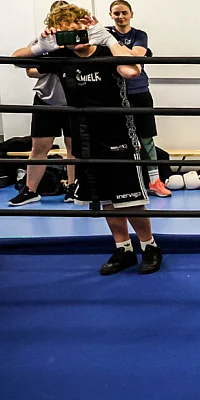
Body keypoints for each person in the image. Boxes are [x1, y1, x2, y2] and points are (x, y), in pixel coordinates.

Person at [12, 4, 163, 275]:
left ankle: (149, 246)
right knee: (105, 198)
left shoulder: (106, 51)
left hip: (118, 134)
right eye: (67, 35)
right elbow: (19, 61)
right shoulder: (61, 58)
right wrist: (41, 45)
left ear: (88, 28)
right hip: (85, 137)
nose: (75, 40)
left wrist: (107, 39)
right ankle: (123, 249)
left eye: (78, 32)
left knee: (130, 199)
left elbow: (132, 71)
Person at [8, 0, 77, 207]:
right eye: (59, 15)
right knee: (39, 147)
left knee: (73, 147)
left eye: (67, 17)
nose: (63, 20)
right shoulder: (43, 39)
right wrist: (47, 67)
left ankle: (73, 188)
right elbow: (28, 68)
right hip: (46, 98)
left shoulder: (79, 40)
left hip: (73, 100)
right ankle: (30, 190)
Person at [107, 0, 171, 197]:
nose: (120, 17)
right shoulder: (105, 33)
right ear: (111, 15)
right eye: (116, 13)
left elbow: (136, 55)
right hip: (114, 94)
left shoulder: (139, 35)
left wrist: (114, 48)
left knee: (146, 138)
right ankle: (123, 183)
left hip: (139, 91)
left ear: (131, 14)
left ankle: (154, 181)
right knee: (117, 140)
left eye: (124, 12)